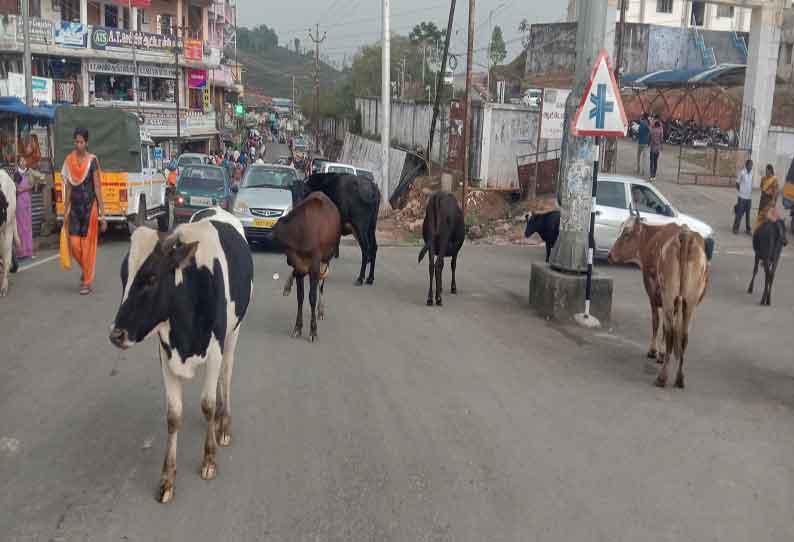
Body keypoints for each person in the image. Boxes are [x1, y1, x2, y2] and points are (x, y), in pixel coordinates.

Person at [62, 127, 107, 295]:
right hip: (75, 208)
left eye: (81, 142)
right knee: (74, 245)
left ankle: (86, 282)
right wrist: (65, 211)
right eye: (76, 142)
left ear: (86, 143)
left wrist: (103, 215)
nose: (78, 145)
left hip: (90, 208)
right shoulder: (69, 161)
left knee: (86, 247)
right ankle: (86, 269)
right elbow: (68, 188)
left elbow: (97, 187)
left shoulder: (92, 161)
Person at [13, 157, 35, 260]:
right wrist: (27, 188)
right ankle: (21, 252)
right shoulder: (17, 174)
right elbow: (16, 190)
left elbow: (32, 185)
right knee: (21, 228)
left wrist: (29, 187)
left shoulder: (28, 173)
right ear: (18, 163)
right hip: (20, 203)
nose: (24, 162)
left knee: (28, 227)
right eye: (21, 161)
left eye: (24, 160)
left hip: (27, 202)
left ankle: (29, 251)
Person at [755, 164, 779, 230]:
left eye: (767, 170)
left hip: (769, 200)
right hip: (763, 199)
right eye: (766, 170)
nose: (766, 172)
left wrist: (774, 201)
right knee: (760, 214)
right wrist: (764, 192)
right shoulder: (763, 178)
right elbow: (761, 186)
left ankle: (765, 230)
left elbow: (776, 191)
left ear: (770, 170)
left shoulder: (774, 179)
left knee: (767, 216)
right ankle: (758, 229)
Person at [733, 159, 753, 235]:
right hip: (742, 197)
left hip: (749, 197)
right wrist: (741, 191)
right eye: (750, 165)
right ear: (746, 165)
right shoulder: (742, 172)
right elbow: (737, 183)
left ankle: (748, 229)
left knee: (748, 214)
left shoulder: (752, 173)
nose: (751, 166)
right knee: (739, 213)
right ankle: (735, 228)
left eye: (752, 165)